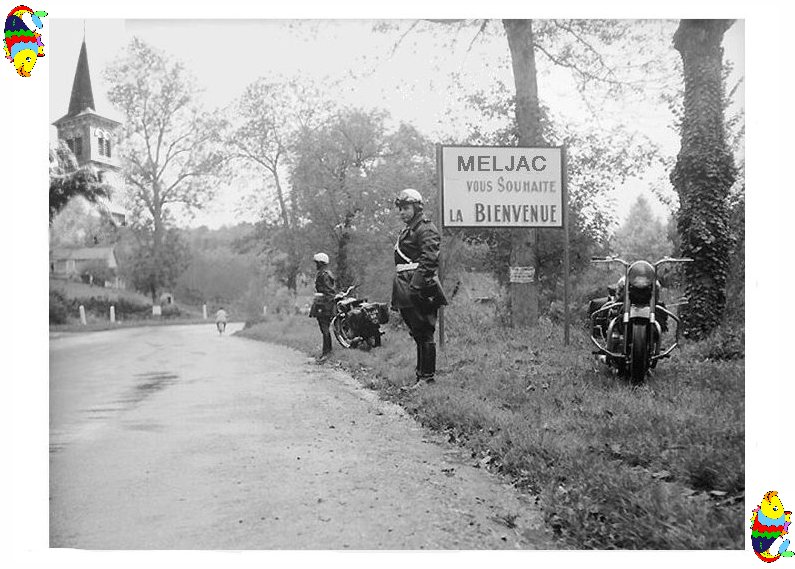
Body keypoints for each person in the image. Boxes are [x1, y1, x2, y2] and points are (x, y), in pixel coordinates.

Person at [391, 188, 448, 386]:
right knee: (417, 332)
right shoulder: (409, 229)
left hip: (419, 285)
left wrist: (415, 287)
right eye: (400, 209)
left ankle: (427, 377)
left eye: (406, 208)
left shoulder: (425, 228)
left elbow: (430, 259)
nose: (402, 212)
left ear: (417, 207)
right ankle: (420, 376)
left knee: (425, 332)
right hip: (405, 284)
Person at [308, 252, 336, 362]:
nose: (316, 265)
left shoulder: (324, 275)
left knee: (324, 328)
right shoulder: (326, 274)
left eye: (317, 263)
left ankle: (327, 352)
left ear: (321, 263)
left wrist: (327, 305)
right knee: (324, 328)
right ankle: (327, 351)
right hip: (324, 304)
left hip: (324, 305)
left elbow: (329, 292)